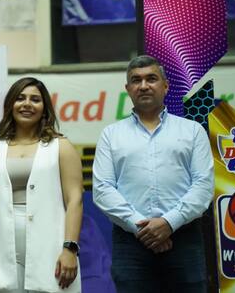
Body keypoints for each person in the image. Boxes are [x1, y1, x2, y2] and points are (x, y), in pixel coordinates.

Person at [92, 55, 214, 293]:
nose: (144, 85)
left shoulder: (192, 131)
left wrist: (169, 223)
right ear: (128, 89)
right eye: (136, 80)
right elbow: (103, 189)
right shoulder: (111, 134)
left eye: (151, 79)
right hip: (131, 243)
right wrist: (142, 228)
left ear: (165, 86)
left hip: (184, 238)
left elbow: (203, 186)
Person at [0, 77, 83, 292]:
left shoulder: (61, 147)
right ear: (10, 104)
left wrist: (70, 248)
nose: (27, 104)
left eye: (35, 99)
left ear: (45, 108)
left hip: (51, 249)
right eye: (20, 98)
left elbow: (75, 200)